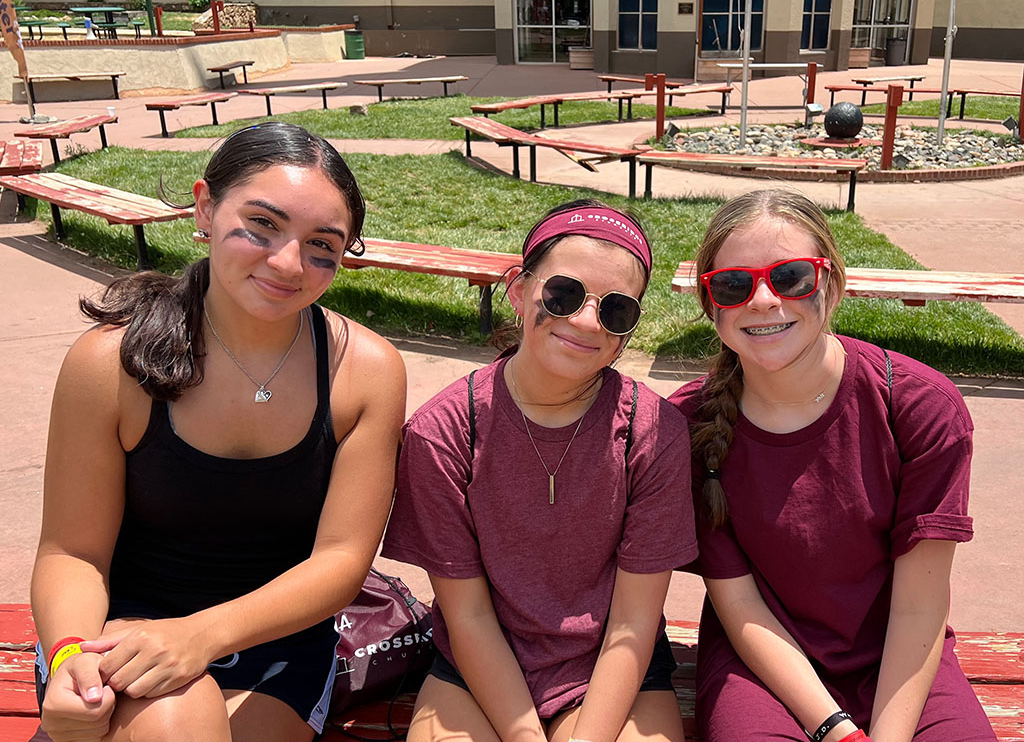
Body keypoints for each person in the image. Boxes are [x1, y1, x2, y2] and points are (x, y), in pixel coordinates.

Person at [31, 122, 407, 742]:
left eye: (321, 245)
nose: (287, 263)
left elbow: (341, 560)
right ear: (205, 207)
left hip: (274, 638)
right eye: (261, 225)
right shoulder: (109, 362)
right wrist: (71, 654)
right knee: (175, 714)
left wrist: (199, 635)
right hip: (111, 631)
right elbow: (73, 553)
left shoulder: (364, 371)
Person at [668, 189, 995, 742]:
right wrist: (837, 730)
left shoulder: (918, 407)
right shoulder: (689, 427)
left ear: (832, 285)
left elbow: (920, 608)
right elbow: (739, 604)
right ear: (711, 305)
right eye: (733, 284)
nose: (764, 300)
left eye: (791, 277)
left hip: (901, 656)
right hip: (763, 662)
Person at [382, 199, 698, 742]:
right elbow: (469, 616)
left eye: (616, 310)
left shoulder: (652, 432)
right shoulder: (444, 431)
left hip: (613, 663)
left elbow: (633, 622)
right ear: (519, 289)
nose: (586, 321)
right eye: (564, 294)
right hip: (480, 662)